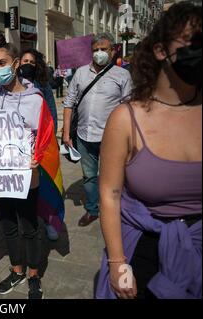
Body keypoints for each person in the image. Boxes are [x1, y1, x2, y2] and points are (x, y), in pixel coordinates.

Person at [97, 2, 202, 299]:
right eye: (192, 41)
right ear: (160, 51)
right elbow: (110, 194)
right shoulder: (126, 118)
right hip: (145, 254)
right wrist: (117, 263)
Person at [0, 34, 64, 299]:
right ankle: (16, 270)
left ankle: (33, 275)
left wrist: (37, 156)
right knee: (8, 226)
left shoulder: (36, 100)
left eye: (3, 63)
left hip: (25, 176)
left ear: (17, 63)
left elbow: (45, 136)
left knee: (29, 227)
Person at [62, 32, 132, 227]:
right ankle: (93, 210)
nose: (99, 53)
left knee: (114, 176)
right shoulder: (81, 73)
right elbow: (69, 103)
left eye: (103, 49)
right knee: (89, 176)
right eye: (95, 50)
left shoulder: (122, 74)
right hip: (84, 135)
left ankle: (116, 209)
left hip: (112, 137)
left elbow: (128, 107)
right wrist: (66, 133)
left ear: (112, 50)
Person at [20, 48, 59, 136]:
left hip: (38, 133)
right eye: (25, 61)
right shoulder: (14, 83)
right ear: (19, 62)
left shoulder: (43, 84)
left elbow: (51, 110)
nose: (28, 64)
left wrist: (52, 134)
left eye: (31, 62)